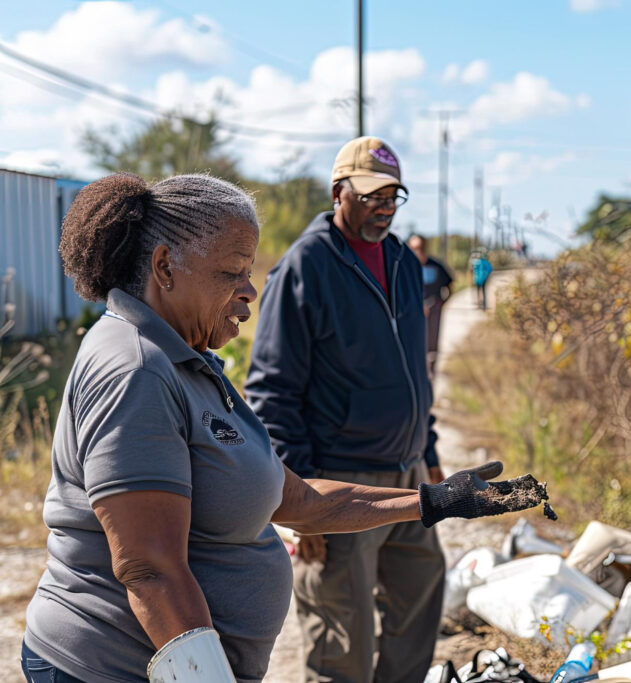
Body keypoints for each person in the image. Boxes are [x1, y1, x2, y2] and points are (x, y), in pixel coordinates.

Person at [21, 172, 545, 683]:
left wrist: (435, 501)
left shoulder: (189, 360)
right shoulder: (136, 370)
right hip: (109, 667)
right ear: (164, 267)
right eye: (232, 272)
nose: (250, 289)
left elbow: (300, 501)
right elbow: (149, 569)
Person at [245, 137, 448, 683]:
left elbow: (413, 369)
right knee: (342, 639)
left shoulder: (404, 261)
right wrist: (300, 501)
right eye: (372, 195)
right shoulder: (303, 268)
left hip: (406, 472)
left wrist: (426, 449)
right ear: (340, 193)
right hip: (339, 485)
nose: (384, 206)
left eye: (393, 196)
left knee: (421, 597)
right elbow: (271, 392)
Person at [407, 234, 453, 377]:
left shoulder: (435, 266)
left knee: (432, 338)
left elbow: (449, 284)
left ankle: (431, 369)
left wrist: (442, 302)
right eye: (414, 248)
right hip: (412, 309)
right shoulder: (404, 267)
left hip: (433, 306)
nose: (417, 252)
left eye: (419, 248)